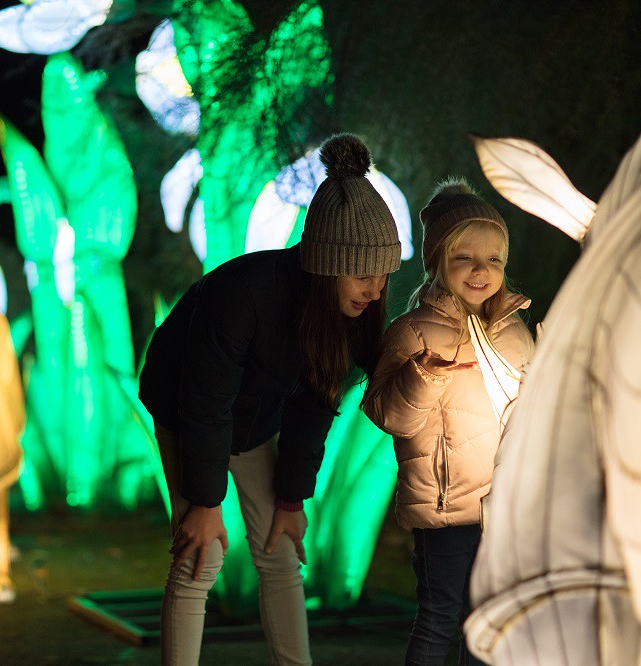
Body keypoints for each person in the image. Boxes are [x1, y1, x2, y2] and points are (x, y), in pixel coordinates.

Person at [138, 133, 402, 666]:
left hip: (251, 424)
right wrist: (206, 503)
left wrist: (291, 500)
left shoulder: (347, 315)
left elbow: (314, 407)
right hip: (186, 410)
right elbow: (205, 404)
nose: (375, 289)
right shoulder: (243, 294)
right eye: (362, 273)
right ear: (325, 262)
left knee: (281, 551)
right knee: (201, 554)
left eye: (383, 274)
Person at [361, 180, 535, 665]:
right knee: (440, 617)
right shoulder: (412, 331)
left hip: (503, 509)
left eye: (494, 259)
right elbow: (387, 415)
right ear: (436, 260)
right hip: (445, 510)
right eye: (464, 257)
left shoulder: (517, 332)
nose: (481, 270)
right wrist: (424, 376)